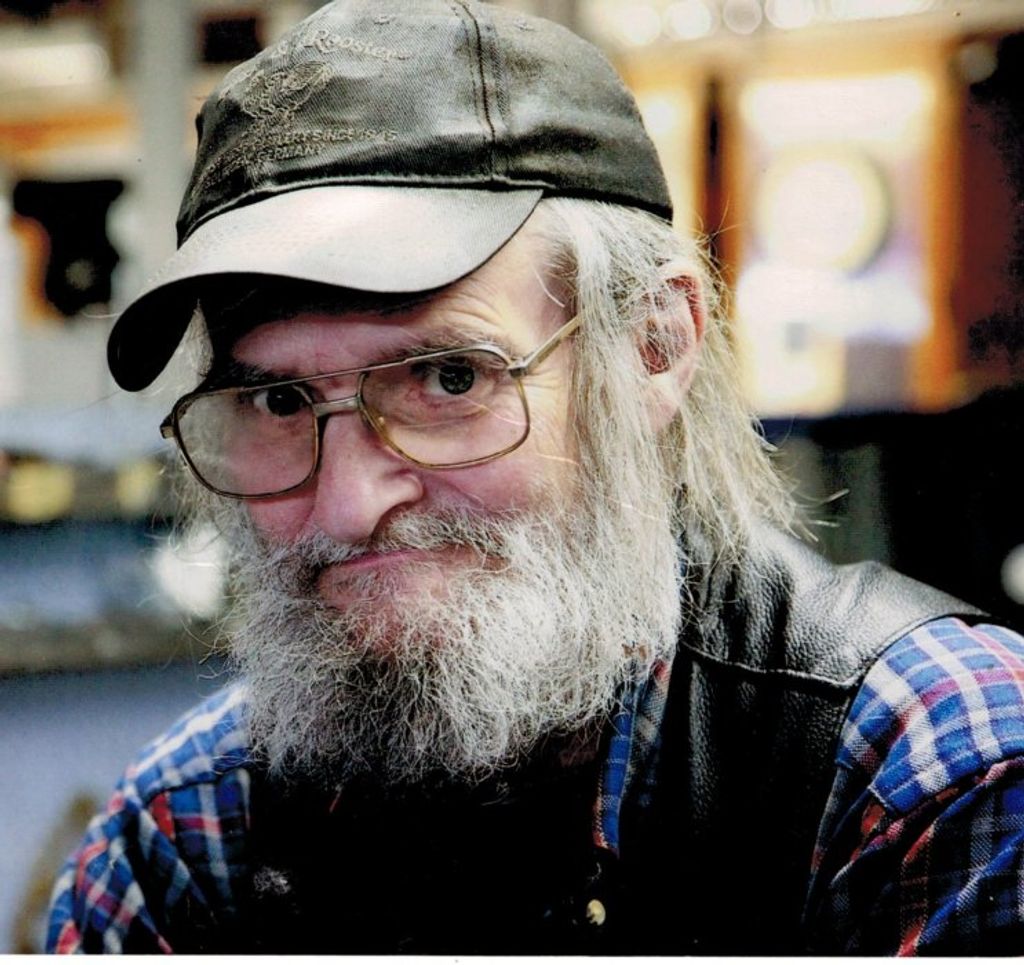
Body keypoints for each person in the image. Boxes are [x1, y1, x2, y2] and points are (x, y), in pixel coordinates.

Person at [46, 0, 1024, 955]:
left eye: (449, 378)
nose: (347, 502)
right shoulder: (184, 837)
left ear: (652, 347)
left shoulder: (931, 768)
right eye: (279, 399)